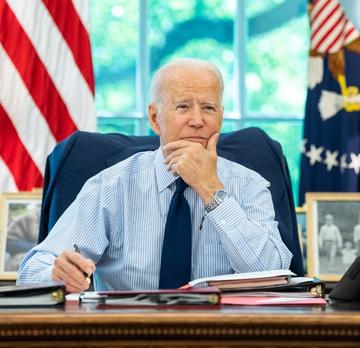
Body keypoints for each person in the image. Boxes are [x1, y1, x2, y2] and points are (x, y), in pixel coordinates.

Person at [17, 58, 292, 292]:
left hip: (221, 335)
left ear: (220, 116)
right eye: (183, 106)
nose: (198, 120)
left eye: (208, 107)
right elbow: (30, 270)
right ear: (153, 117)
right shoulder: (113, 185)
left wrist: (211, 189)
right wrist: (57, 274)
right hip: (130, 333)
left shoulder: (249, 185)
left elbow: (273, 275)